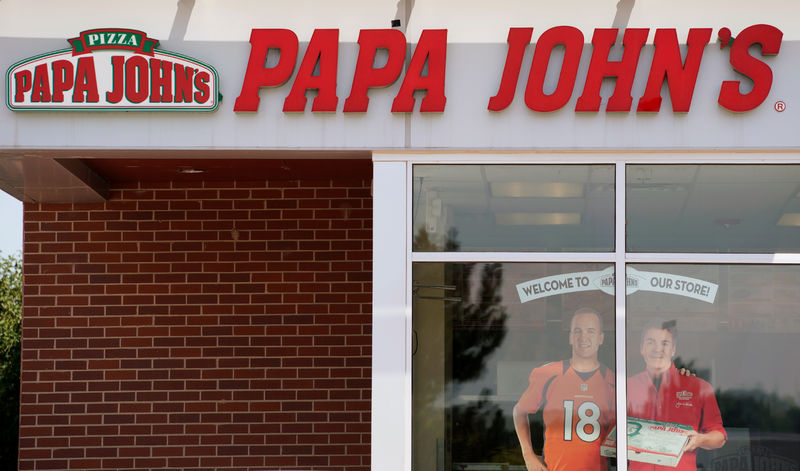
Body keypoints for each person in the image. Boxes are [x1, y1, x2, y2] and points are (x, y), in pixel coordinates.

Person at [513, 308, 615, 471]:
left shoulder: (612, 382)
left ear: (600, 338)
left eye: (591, 331)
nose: (583, 337)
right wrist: (528, 456)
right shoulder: (549, 374)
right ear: (570, 337)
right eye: (577, 331)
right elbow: (519, 411)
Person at [627, 321, 726, 471]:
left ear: (673, 350)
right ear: (642, 348)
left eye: (665, 343)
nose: (657, 348)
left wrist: (700, 439)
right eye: (650, 342)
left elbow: (719, 437)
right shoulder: (626, 387)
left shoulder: (698, 387)